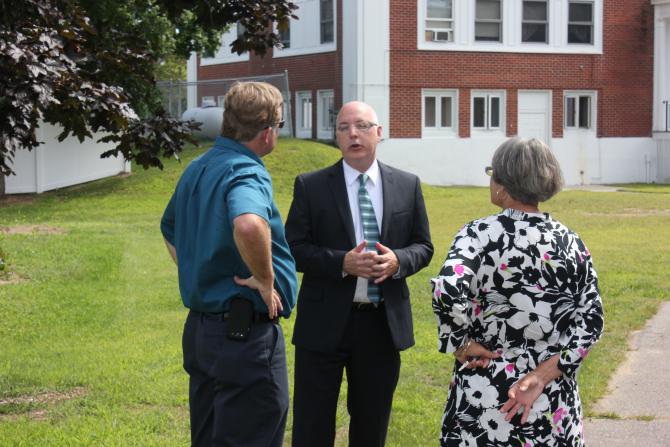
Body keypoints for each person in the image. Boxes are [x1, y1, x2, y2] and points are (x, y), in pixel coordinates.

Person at [431, 137, 604, 446]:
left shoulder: (476, 236)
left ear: (502, 184)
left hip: (485, 395)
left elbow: (446, 289)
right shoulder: (570, 243)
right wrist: (542, 375)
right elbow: (591, 322)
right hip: (551, 398)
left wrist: (460, 342)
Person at [285, 101, 434, 447]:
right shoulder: (311, 186)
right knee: (311, 425)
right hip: (323, 323)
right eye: (343, 127)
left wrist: (398, 261)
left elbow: (423, 246)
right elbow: (293, 248)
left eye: (362, 126)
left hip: (381, 326)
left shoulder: (406, 185)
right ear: (336, 137)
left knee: (371, 426)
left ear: (379, 133)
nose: (353, 133)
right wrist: (342, 263)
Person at [160, 81, 297, 447]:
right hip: (244, 339)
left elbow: (169, 228)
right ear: (267, 133)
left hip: (203, 333)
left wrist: (198, 268)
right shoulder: (245, 170)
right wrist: (266, 280)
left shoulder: (198, 167)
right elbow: (248, 223)